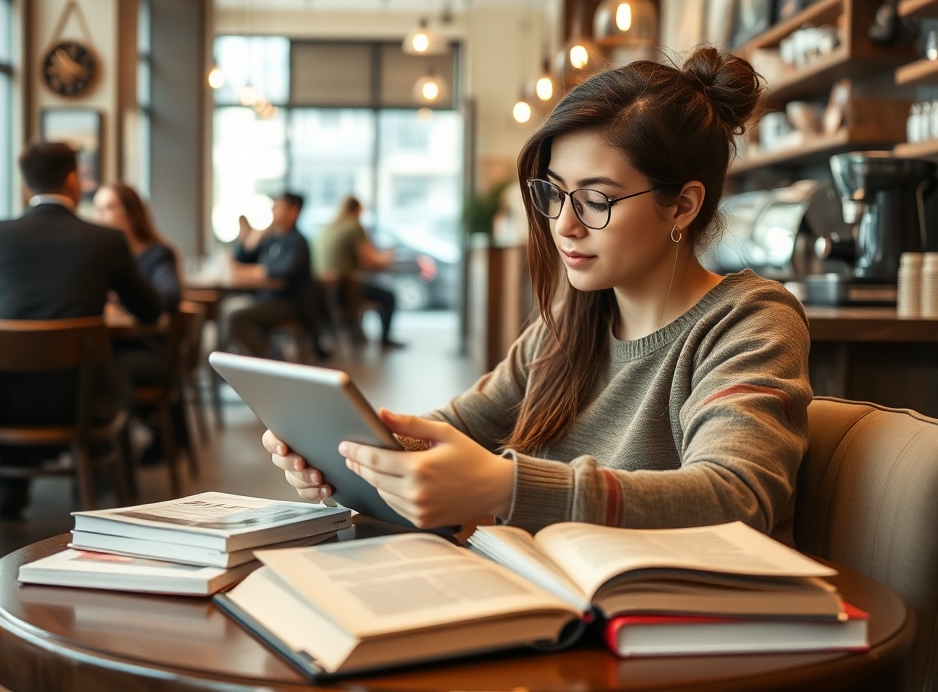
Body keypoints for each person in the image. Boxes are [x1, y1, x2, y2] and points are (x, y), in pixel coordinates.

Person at [262, 47, 813, 542]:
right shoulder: (566, 329)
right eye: (553, 192)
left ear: (683, 206)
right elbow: (450, 432)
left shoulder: (749, 321)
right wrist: (349, 455)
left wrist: (506, 487)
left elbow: (737, 497)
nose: (564, 225)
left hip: (683, 640)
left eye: (596, 199)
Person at [0, 141, 164, 517]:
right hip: (80, 400)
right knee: (91, 381)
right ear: (74, 181)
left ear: (27, 186)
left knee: (17, 382)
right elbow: (151, 310)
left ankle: (12, 485)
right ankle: (91, 481)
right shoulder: (105, 240)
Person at [93, 182, 186, 464]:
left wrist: (120, 299)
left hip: (147, 348)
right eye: (97, 209)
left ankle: (106, 455)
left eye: (108, 208)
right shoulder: (99, 255)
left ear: (132, 214)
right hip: (112, 345)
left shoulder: (155, 254)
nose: (100, 217)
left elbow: (169, 296)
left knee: (101, 370)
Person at [227, 192, 327, 360]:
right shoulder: (273, 238)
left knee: (236, 315)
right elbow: (242, 259)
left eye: (279, 206)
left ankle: (269, 361)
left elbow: (286, 271)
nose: (274, 211)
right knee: (227, 307)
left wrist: (261, 270)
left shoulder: (298, 241)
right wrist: (250, 238)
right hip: (266, 298)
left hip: (289, 302)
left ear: (294, 211)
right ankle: (234, 361)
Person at [312, 196, 405, 349]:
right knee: (388, 296)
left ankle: (358, 332)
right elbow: (371, 260)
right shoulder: (354, 226)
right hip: (345, 289)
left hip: (325, 290)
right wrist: (388, 256)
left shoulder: (328, 227)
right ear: (357, 210)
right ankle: (385, 339)